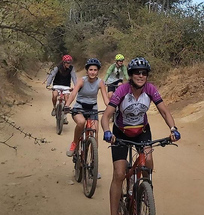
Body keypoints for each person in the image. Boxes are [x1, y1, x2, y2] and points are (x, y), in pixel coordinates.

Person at [101, 57, 180, 215]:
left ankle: (145, 189)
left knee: (148, 161)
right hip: (121, 133)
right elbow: (106, 115)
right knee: (119, 173)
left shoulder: (150, 89)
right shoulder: (122, 90)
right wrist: (107, 131)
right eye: (137, 73)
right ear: (130, 75)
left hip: (142, 131)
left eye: (144, 73)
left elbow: (164, 111)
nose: (141, 76)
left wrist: (173, 128)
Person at [65, 58, 110, 164]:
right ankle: (74, 143)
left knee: (95, 133)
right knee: (81, 122)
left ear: (98, 71)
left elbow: (105, 99)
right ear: (87, 71)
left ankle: (94, 163)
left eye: (95, 70)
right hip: (79, 108)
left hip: (92, 110)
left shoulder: (100, 83)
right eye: (91, 69)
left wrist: (111, 108)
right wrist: (67, 105)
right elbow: (73, 93)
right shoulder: (82, 80)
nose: (93, 72)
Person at [45, 54, 78, 122]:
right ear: (63, 62)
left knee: (67, 99)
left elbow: (74, 77)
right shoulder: (57, 67)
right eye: (67, 62)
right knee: (54, 95)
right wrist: (48, 84)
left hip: (66, 86)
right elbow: (52, 75)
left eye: (69, 62)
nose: (68, 64)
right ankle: (54, 107)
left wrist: (76, 86)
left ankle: (65, 116)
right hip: (57, 85)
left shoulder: (71, 69)